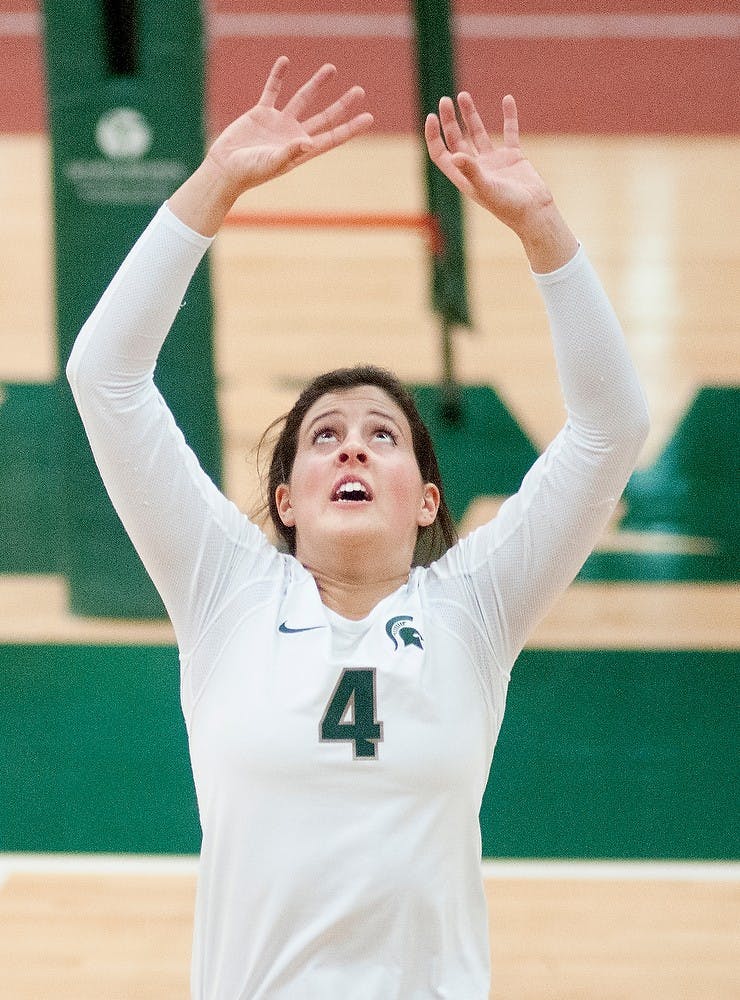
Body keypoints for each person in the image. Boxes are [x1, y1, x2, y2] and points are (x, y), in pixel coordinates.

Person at [67, 57, 649, 1000]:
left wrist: (542, 228)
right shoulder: (226, 590)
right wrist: (213, 186)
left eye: (383, 437)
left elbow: (611, 427)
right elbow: (107, 376)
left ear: (426, 498)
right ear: (286, 499)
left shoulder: (476, 604)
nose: (351, 451)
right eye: (323, 437)